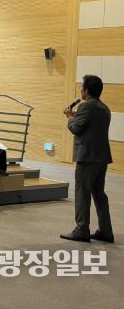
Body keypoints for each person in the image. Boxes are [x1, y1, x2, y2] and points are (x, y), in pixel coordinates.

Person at [60, 75, 114, 243]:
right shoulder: (104, 108)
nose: (81, 91)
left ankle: (81, 230)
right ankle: (106, 231)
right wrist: (76, 115)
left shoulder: (85, 106)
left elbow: (76, 128)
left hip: (87, 158)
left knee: (82, 193)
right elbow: (91, 124)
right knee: (99, 194)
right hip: (102, 156)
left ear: (87, 90)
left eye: (82, 88)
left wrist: (69, 117)